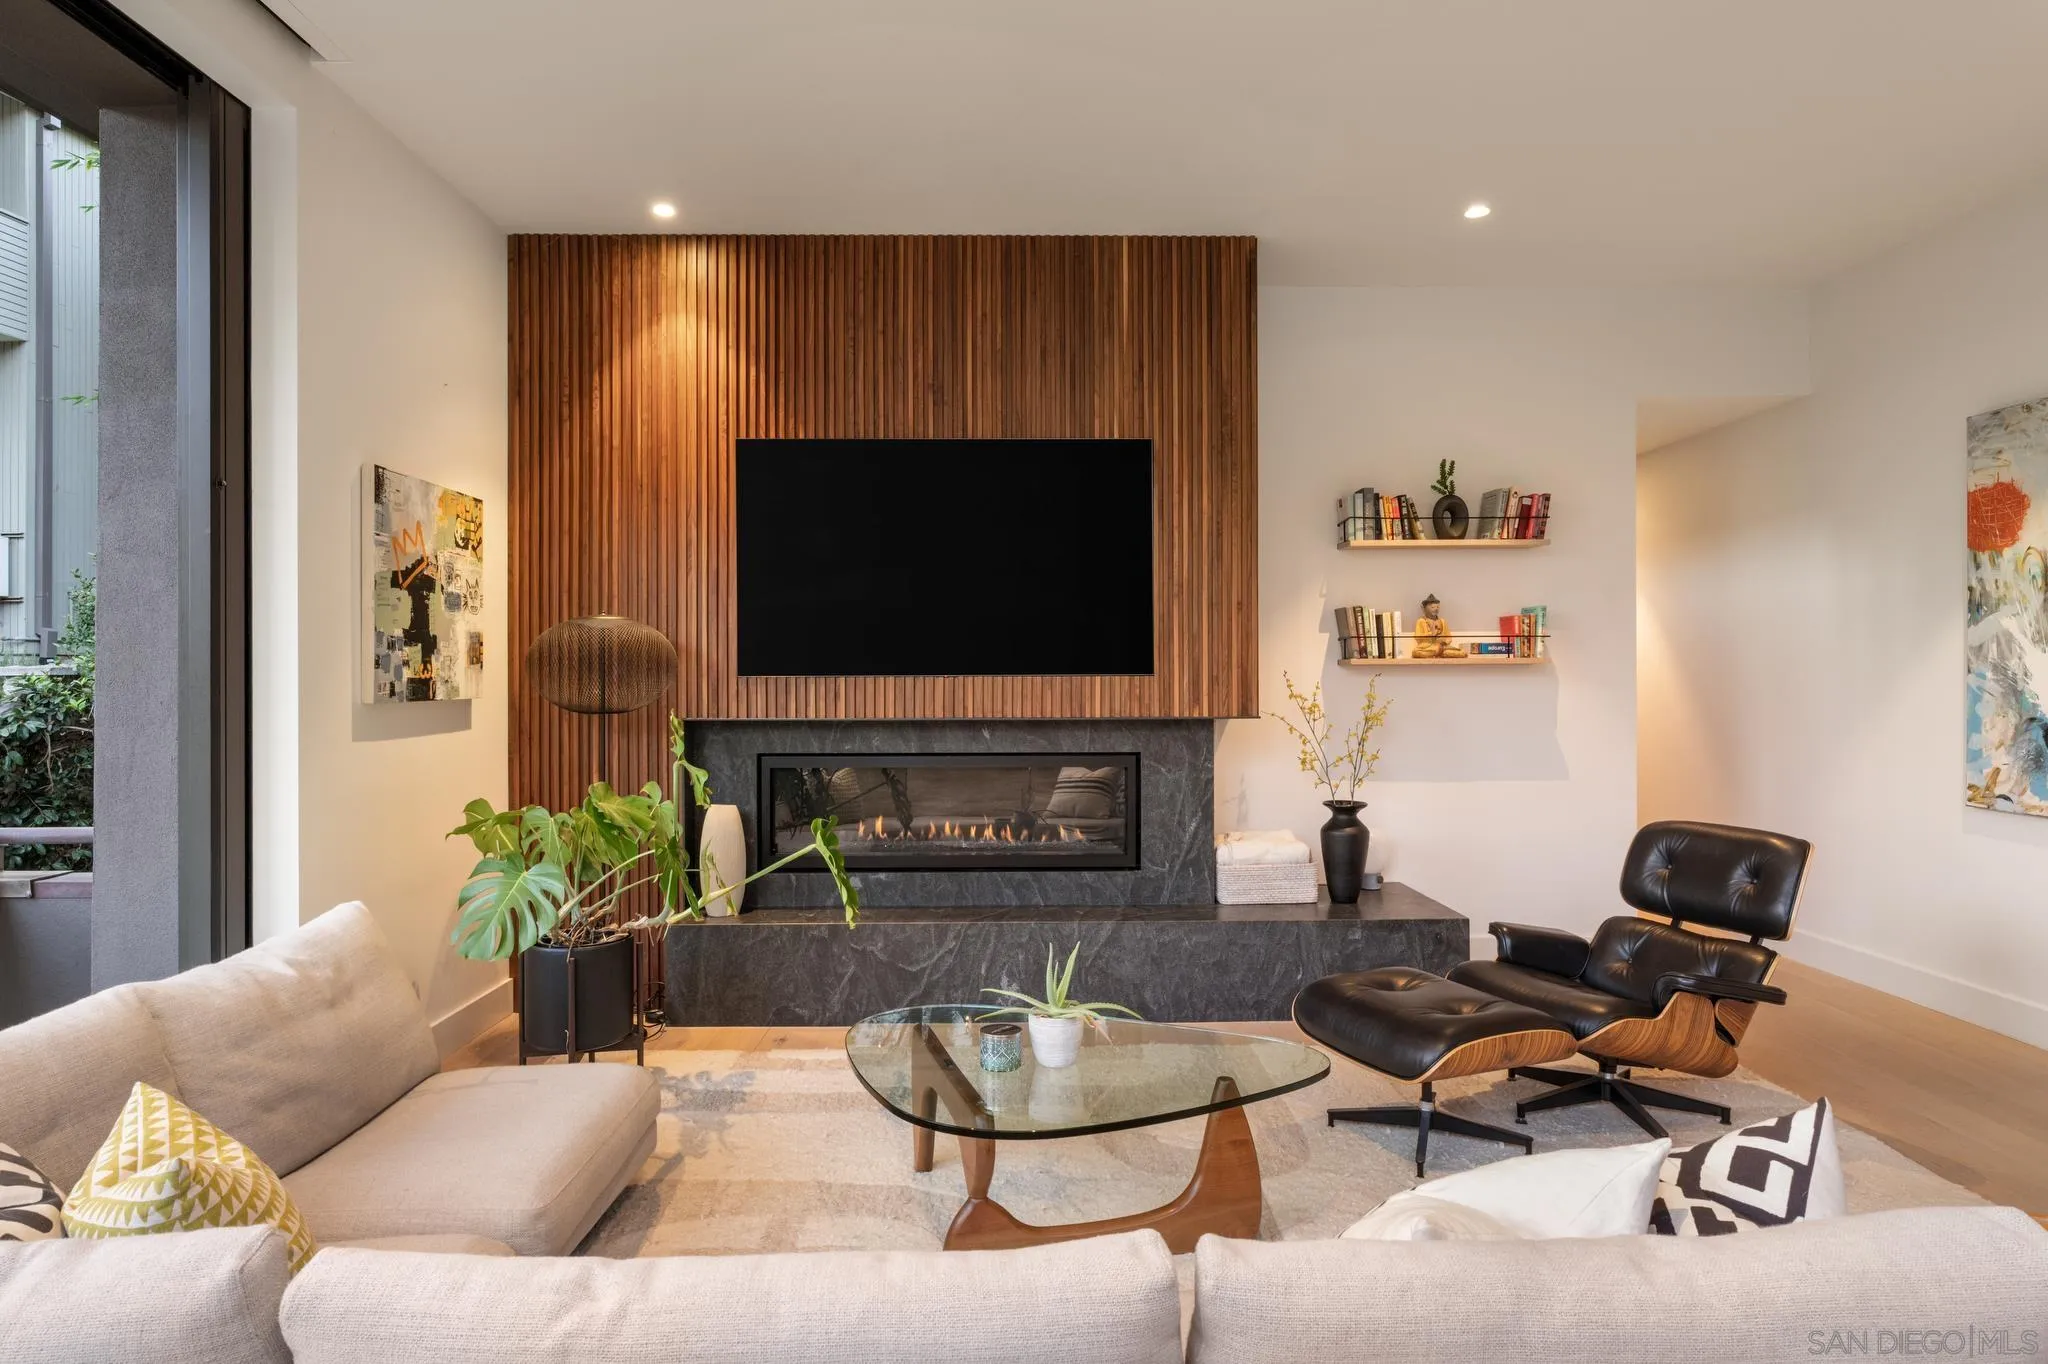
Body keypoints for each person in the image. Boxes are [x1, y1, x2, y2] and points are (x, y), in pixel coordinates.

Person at [1412, 593, 1465, 658]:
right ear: (1425, 609)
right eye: (1433, 607)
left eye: (1437, 607)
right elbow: (1418, 637)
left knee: (1462, 652)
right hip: (1428, 648)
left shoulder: (1442, 621)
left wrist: (1444, 642)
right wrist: (1431, 634)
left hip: (1442, 647)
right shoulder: (1421, 621)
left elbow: (1449, 637)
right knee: (1416, 652)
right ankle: (1438, 653)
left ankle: (1438, 653)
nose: (1436, 609)